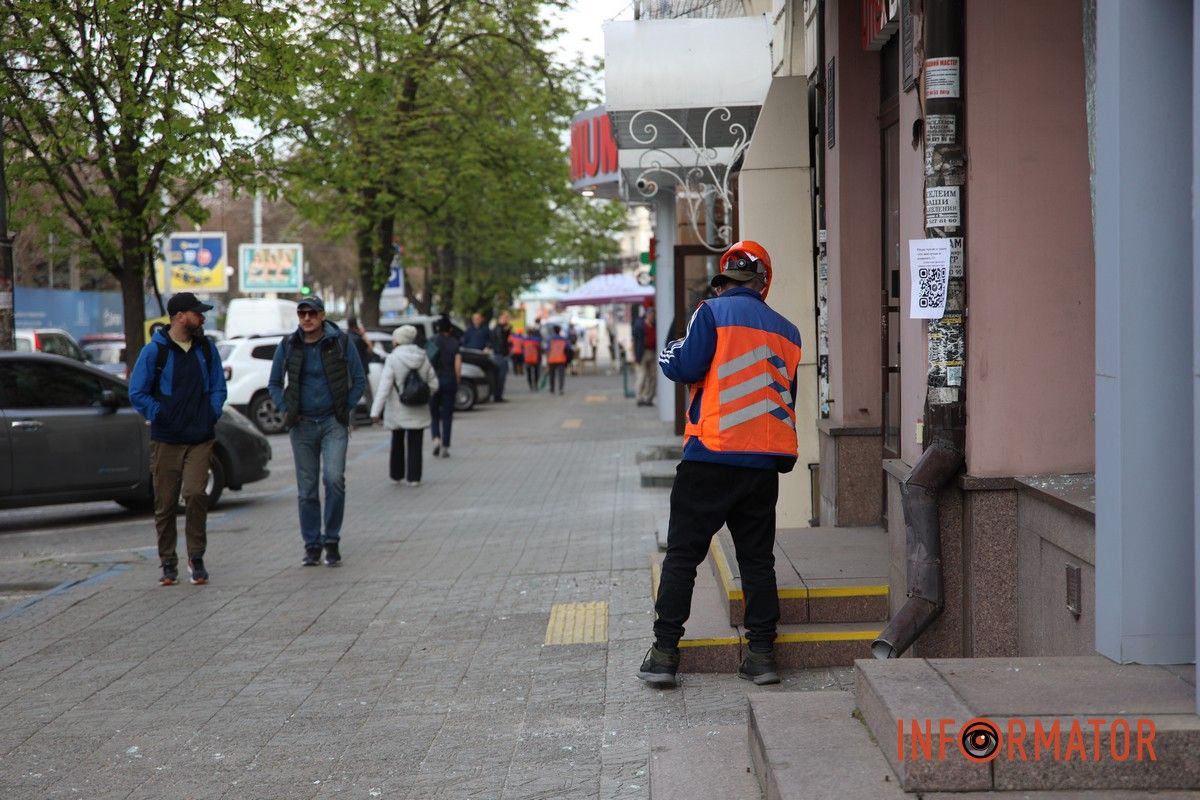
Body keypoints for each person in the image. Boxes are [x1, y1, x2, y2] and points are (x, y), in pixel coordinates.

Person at [637, 240, 802, 689]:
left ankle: (665, 655)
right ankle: (762, 655)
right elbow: (787, 396)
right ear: (763, 282)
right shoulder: (789, 332)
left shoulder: (710, 313)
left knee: (683, 557)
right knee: (757, 562)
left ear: (723, 279)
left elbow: (685, 365)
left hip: (710, 456)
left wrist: (672, 347)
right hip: (763, 463)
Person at [129, 292, 227, 586]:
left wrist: (211, 412)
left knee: (196, 493)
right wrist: (161, 414)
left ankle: (196, 557)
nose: (203, 317)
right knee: (166, 502)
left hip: (200, 436)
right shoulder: (154, 351)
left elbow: (218, 387)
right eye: (198, 313)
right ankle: (168, 561)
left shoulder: (207, 349)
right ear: (180, 316)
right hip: (167, 439)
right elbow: (137, 393)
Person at [268, 296, 366, 567]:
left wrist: (345, 407)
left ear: (322, 316)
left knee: (334, 479)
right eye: (302, 314)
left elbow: (358, 379)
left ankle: (331, 540)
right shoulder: (288, 345)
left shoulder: (341, 342)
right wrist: (284, 407)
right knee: (307, 489)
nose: (307, 318)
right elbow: (274, 382)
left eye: (312, 313)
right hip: (301, 425)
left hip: (333, 423)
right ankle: (312, 545)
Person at [371, 325, 438, 486]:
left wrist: (375, 411)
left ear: (398, 341)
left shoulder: (393, 359)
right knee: (416, 442)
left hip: (397, 408)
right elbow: (434, 383)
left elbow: (384, 387)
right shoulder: (423, 356)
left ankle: (397, 474)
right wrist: (423, 394)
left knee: (397, 440)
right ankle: (414, 478)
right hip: (419, 408)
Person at [427, 316, 462, 458]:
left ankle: (436, 439)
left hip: (434, 381)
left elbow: (427, 363)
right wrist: (457, 380)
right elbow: (458, 365)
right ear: (450, 329)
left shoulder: (432, 341)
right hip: (449, 380)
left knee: (434, 413)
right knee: (447, 415)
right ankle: (445, 446)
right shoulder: (454, 342)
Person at [346, 316, 374, 409]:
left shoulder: (345, 337)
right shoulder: (358, 338)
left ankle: (350, 420)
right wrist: (363, 335)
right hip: (361, 370)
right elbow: (370, 349)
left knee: (351, 395)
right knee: (367, 393)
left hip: (348, 371)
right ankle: (373, 415)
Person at [633, 307, 657, 407]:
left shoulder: (655, 325)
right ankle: (639, 398)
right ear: (647, 315)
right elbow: (635, 340)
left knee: (653, 377)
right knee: (642, 376)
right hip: (642, 353)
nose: (652, 317)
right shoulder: (640, 326)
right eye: (651, 315)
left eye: (653, 315)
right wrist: (635, 354)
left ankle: (649, 397)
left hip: (652, 352)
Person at [488, 312, 512, 401]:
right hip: (500, 355)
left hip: (501, 354)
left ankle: (498, 395)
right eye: (504, 318)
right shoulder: (499, 329)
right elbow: (501, 342)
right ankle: (497, 396)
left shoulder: (502, 329)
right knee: (500, 377)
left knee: (500, 377)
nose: (506, 320)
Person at [545, 324, 572, 395]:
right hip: (561, 359)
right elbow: (569, 349)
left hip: (552, 359)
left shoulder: (550, 339)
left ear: (553, 331)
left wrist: (547, 361)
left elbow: (547, 351)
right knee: (561, 375)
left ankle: (552, 389)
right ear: (560, 330)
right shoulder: (564, 339)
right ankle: (561, 389)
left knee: (552, 375)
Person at [523, 326, 542, 390]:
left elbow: (522, 349)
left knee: (529, 373)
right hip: (535, 359)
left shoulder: (524, 340)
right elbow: (539, 349)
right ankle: (535, 384)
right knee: (536, 373)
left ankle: (530, 385)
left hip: (527, 359)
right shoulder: (537, 340)